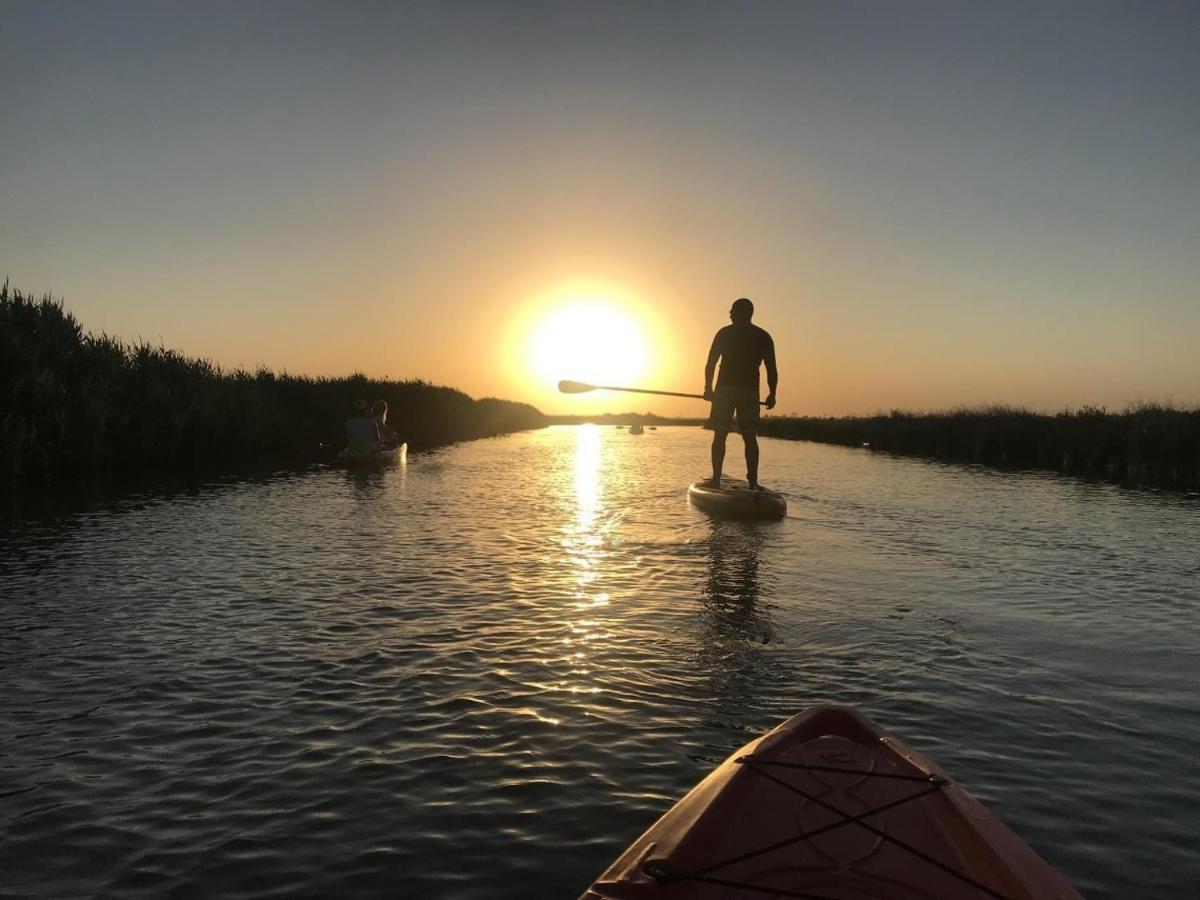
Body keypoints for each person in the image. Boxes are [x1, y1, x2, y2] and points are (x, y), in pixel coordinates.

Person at [703, 297, 777, 490]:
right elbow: (772, 369)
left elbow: (710, 362)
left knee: (720, 434)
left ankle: (717, 480)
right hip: (749, 391)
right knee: (749, 437)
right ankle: (752, 481)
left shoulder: (724, 333)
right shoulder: (763, 336)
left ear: (741, 313)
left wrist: (708, 388)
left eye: (732, 310)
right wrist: (772, 393)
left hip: (726, 390)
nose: (729, 313)